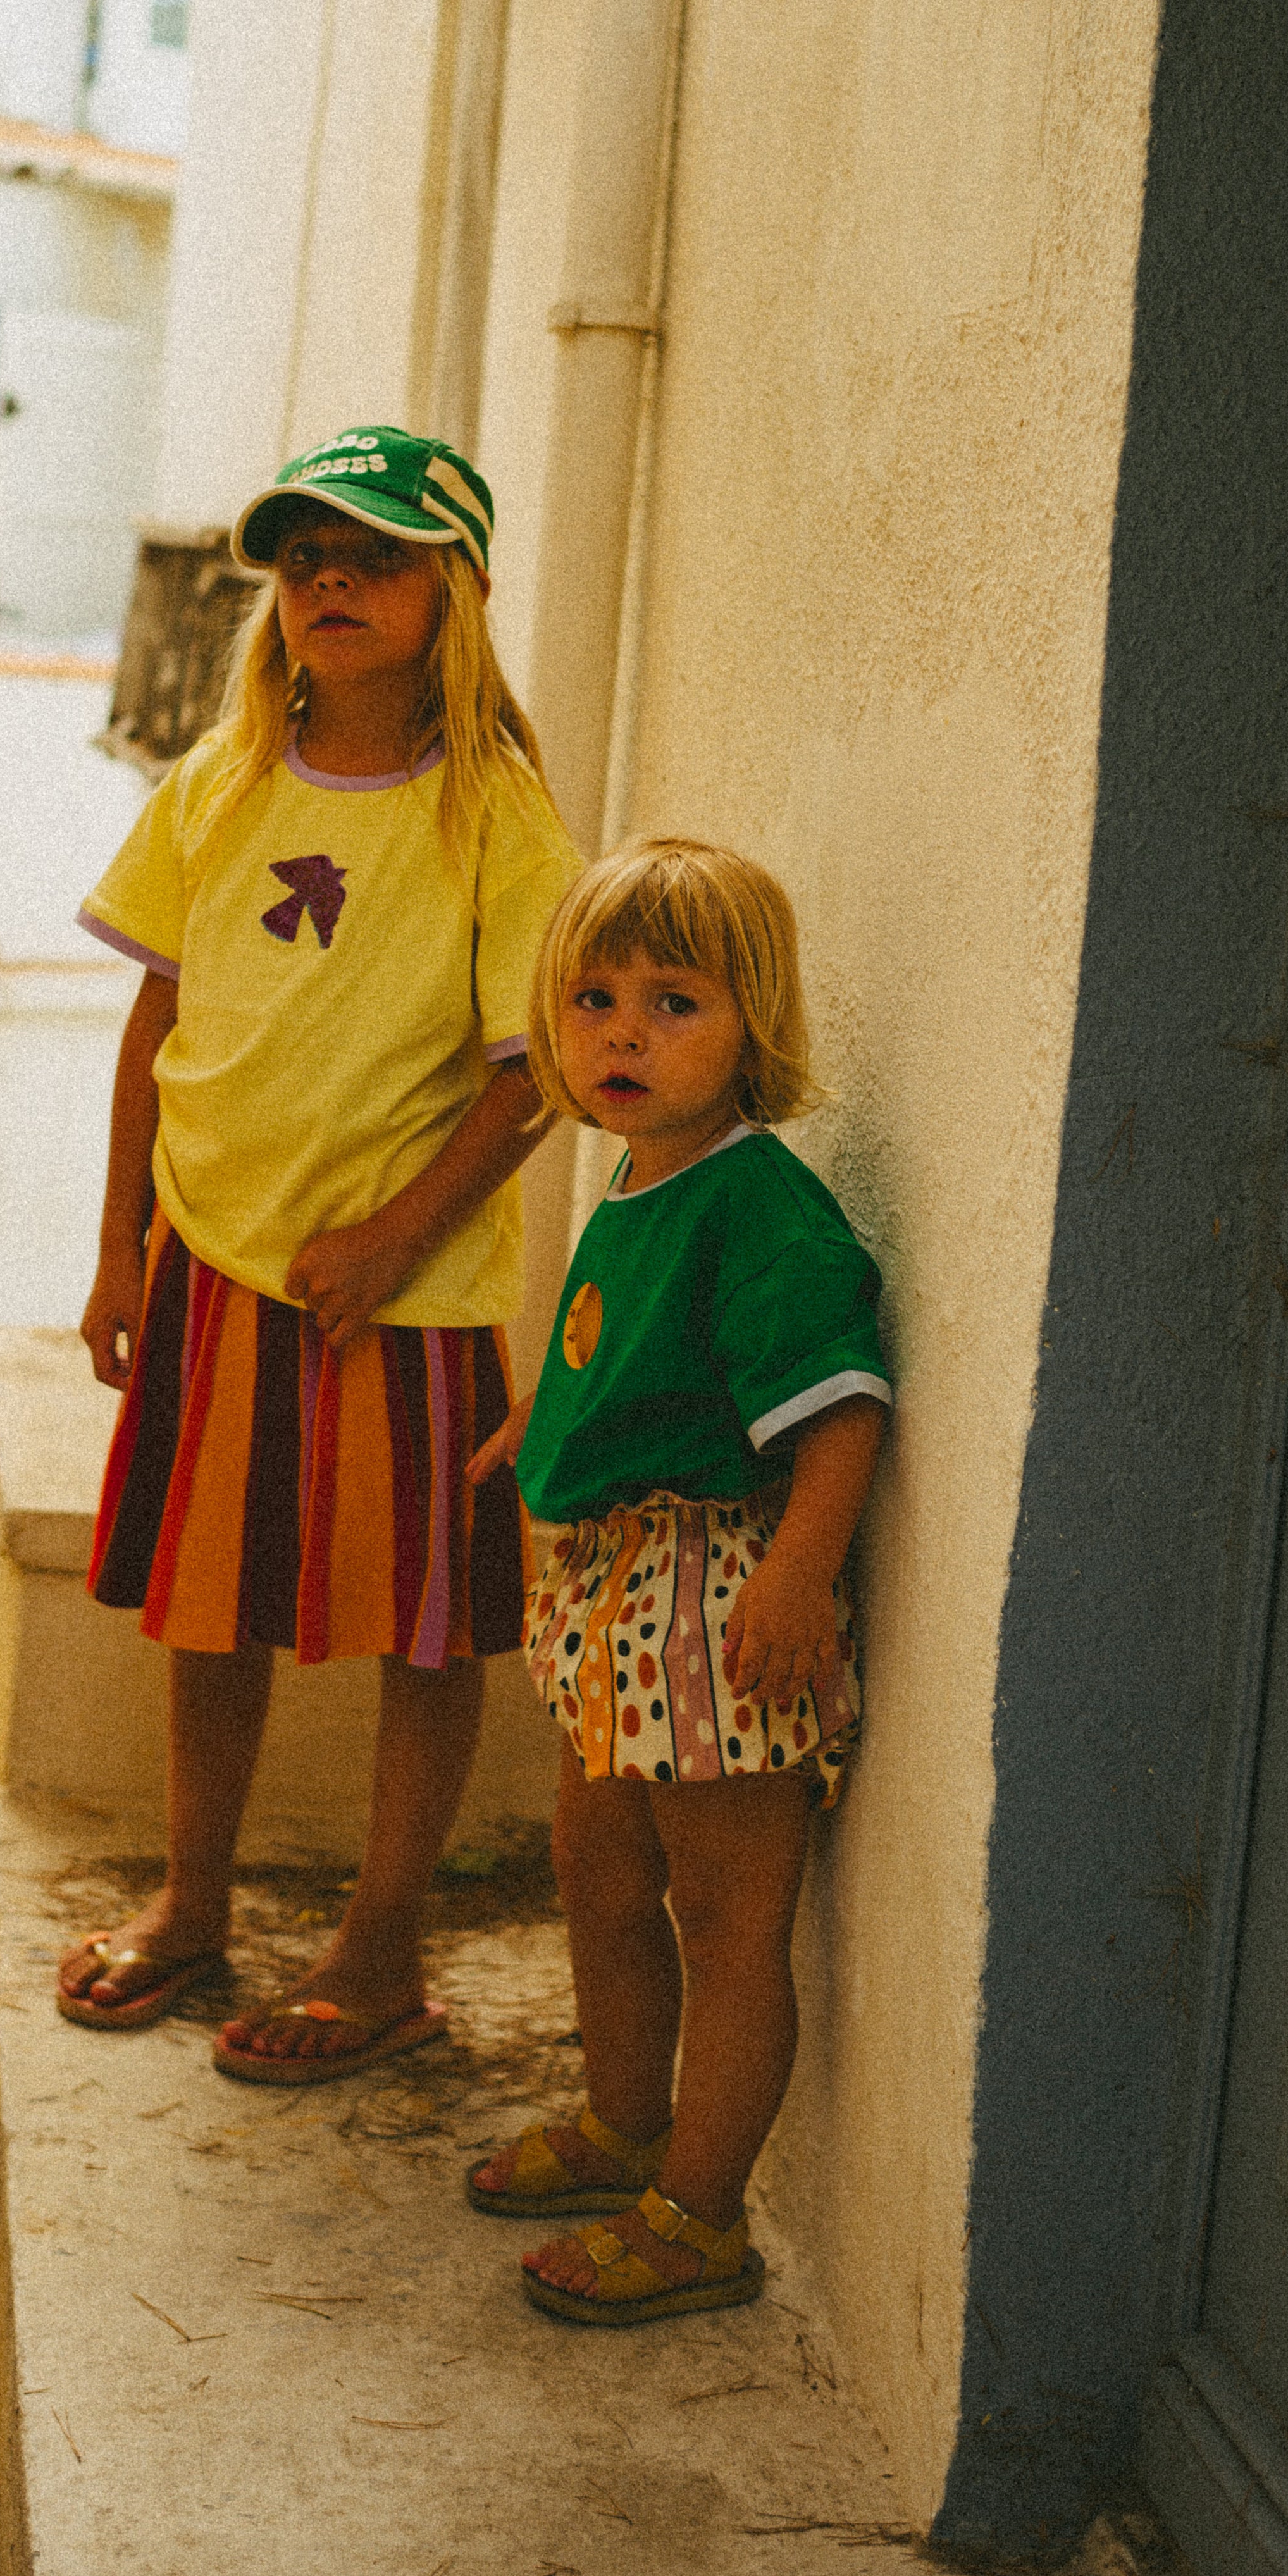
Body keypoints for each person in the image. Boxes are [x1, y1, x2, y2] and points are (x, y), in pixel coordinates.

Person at [63, 426, 579, 2083]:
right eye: (304, 560)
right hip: (216, 1268)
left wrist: (395, 1233)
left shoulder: (496, 815)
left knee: (421, 1626)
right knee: (212, 1610)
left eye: (378, 557)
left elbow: (535, 1077)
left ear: (459, 593)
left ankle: (383, 1953)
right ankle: (194, 1903)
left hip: (395, 1302)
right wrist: (123, 1248)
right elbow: (158, 1017)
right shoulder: (218, 785)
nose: (332, 584)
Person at [464, 838, 889, 2323]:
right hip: (611, 1596)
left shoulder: (757, 1203)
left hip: (714, 1601)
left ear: (751, 1030)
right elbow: (624, 1354)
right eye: (591, 1000)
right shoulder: (639, 1185)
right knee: (595, 1869)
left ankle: (701, 2213)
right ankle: (623, 2119)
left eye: (671, 1001)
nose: (621, 1033)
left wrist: (796, 1579)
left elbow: (840, 1406)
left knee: (721, 1914)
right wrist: (540, 1425)